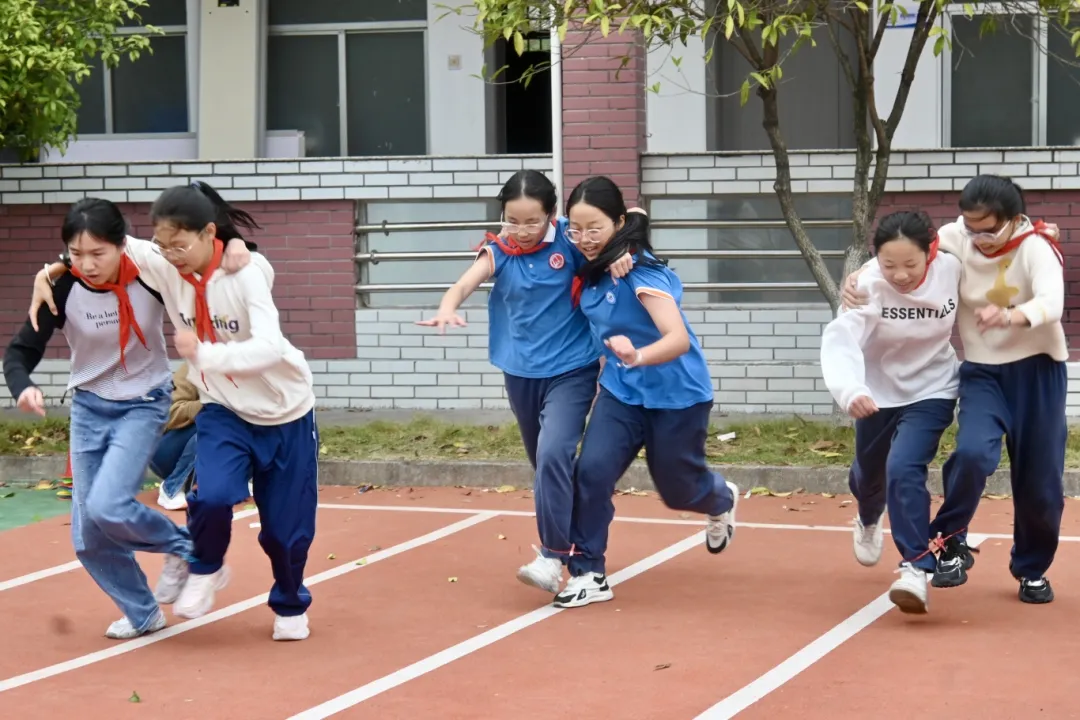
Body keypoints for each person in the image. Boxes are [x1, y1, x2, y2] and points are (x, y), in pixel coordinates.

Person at [30, 181, 318, 639]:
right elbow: (102, 249)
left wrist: (206, 356)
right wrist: (51, 271)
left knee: (285, 533)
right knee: (211, 495)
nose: (171, 254)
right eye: (163, 245)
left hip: (286, 412)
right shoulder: (162, 263)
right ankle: (203, 568)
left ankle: (289, 601)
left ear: (208, 233)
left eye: (180, 245)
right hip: (224, 408)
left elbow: (266, 347)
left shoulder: (248, 271)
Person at [4, 197, 248, 640]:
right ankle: (143, 612)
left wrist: (234, 244)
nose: (87, 264)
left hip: (144, 402)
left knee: (107, 506)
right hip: (89, 408)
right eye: (76, 255)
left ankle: (186, 549)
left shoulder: (152, 273)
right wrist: (23, 387)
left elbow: (195, 253)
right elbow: (21, 351)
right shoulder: (62, 286)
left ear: (122, 246)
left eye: (98, 254)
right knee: (88, 538)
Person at [842, 175, 1066, 604]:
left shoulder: (1036, 246)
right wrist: (858, 277)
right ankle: (947, 540)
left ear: (1014, 220)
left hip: (1039, 375)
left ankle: (1031, 569)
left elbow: (1052, 302)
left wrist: (1012, 316)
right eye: (970, 227)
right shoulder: (955, 237)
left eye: (989, 229)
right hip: (984, 373)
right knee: (972, 453)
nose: (977, 238)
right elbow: (907, 250)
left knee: (1040, 485)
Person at [416, 169, 633, 595]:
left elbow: (619, 226)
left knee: (554, 455)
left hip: (572, 369)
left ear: (552, 216)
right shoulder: (498, 250)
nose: (522, 230)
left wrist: (626, 251)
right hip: (519, 373)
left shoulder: (571, 240)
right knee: (548, 469)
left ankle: (552, 558)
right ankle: (587, 554)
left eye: (531, 221)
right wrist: (446, 307)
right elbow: (463, 284)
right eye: (512, 220)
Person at [556, 176, 738, 609]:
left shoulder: (645, 272)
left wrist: (637, 356)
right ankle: (589, 572)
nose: (583, 238)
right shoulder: (593, 258)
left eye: (594, 229)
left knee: (677, 492)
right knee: (591, 473)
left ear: (616, 223)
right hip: (621, 393)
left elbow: (676, 339)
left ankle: (721, 497)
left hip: (678, 395)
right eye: (576, 230)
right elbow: (630, 214)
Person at [820, 211, 961, 614]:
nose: (900, 275)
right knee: (869, 475)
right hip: (876, 392)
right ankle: (867, 516)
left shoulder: (952, 268)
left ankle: (915, 567)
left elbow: (980, 236)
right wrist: (850, 390)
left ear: (930, 253)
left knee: (903, 467)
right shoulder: (866, 283)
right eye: (889, 264)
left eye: (911, 265)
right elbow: (841, 339)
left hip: (933, 388)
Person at [151, 362, 201, 511]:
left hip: (208, 458)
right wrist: (210, 404)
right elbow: (170, 414)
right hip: (167, 450)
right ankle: (171, 488)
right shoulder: (194, 367)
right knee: (217, 422)